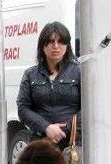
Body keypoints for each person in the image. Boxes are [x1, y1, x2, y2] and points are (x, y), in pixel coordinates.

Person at [17, 22, 81, 150]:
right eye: (51, 41)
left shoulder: (79, 72)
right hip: (41, 142)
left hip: (73, 145)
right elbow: (23, 109)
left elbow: (90, 109)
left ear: (67, 46)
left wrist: (61, 130)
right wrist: (46, 128)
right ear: (42, 46)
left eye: (60, 41)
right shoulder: (30, 74)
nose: (55, 46)